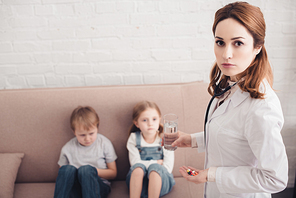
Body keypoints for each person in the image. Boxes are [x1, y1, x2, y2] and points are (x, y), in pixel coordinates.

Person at [171, 2, 288, 198]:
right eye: (220, 42)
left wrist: (212, 175)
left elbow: (275, 178)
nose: (226, 54)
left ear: (257, 46)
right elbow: (233, 136)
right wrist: (192, 140)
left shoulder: (261, 108)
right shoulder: (232, 84)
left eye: (238, 43)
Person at [54, 106, 117, 198]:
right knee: (66, 170)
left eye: (91, 133)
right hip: (76, 188)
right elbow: (63, 178)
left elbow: (113, 173)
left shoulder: (104, 144)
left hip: (98, 186)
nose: (87, 139)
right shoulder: (67, 149)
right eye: (82, 135)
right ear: (74, 132)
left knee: (86, 170)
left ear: (97, 127)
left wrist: (92, 171)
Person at [126, 101, 175, 198]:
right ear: (137, 123)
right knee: (138, 169)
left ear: (159, 120)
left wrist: (155, 166)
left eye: (154, 119)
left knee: (156, 169)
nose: (150, 124)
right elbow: (135, 163)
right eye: (144, 120)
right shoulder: (133, 138)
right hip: (140, 184)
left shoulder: (165, 138)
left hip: (161, 182)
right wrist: (156, 162)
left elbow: (168, 167)